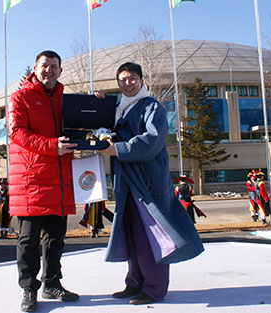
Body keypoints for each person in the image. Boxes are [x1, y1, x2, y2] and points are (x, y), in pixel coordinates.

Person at [98, 62, 204, 305]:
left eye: (132, 78)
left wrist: (118, 149)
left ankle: (154, 288)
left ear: (142, 81)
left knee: (152, 234)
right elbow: (103, 125)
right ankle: (134, 283)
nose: (127, 83)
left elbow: (152, 141)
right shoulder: (120, 108)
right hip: (127, 181)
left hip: (148, 181)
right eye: (122, 79)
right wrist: (100, 102)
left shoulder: (151, 107)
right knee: (132, 233)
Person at [7, 50, 79, 312]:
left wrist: (97, 105)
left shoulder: (66, 101)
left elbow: (83, 126)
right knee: (28, 239)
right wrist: (51, 146)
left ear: (60, 71)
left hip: (59, 180)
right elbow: (17, 133)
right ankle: (29, 289)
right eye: (44, 66)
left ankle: (51, 283)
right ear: (35, 69)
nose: (49, 70)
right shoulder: (20, 97)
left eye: (54, 66)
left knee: (56, 238)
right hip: (31, 180)